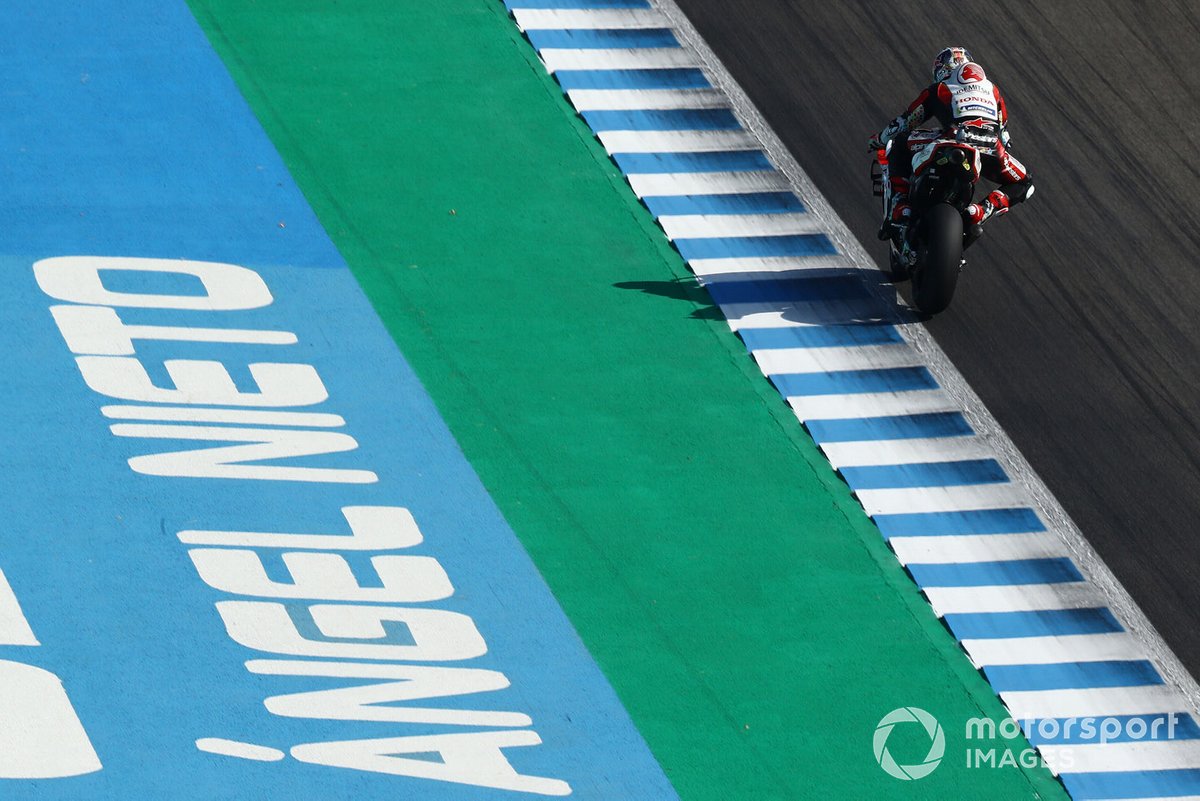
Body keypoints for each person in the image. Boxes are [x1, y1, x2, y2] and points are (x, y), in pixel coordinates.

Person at [869, 47, 1034, 248]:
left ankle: (901, 205)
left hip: (952, 139)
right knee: (1025, 182)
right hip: (991, 147)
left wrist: (878, 139)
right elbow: (1005, 136)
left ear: (943, 70)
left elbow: (905, 123)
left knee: (898, 143)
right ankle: (980, 211)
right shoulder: (993, 90)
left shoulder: (940, 88)